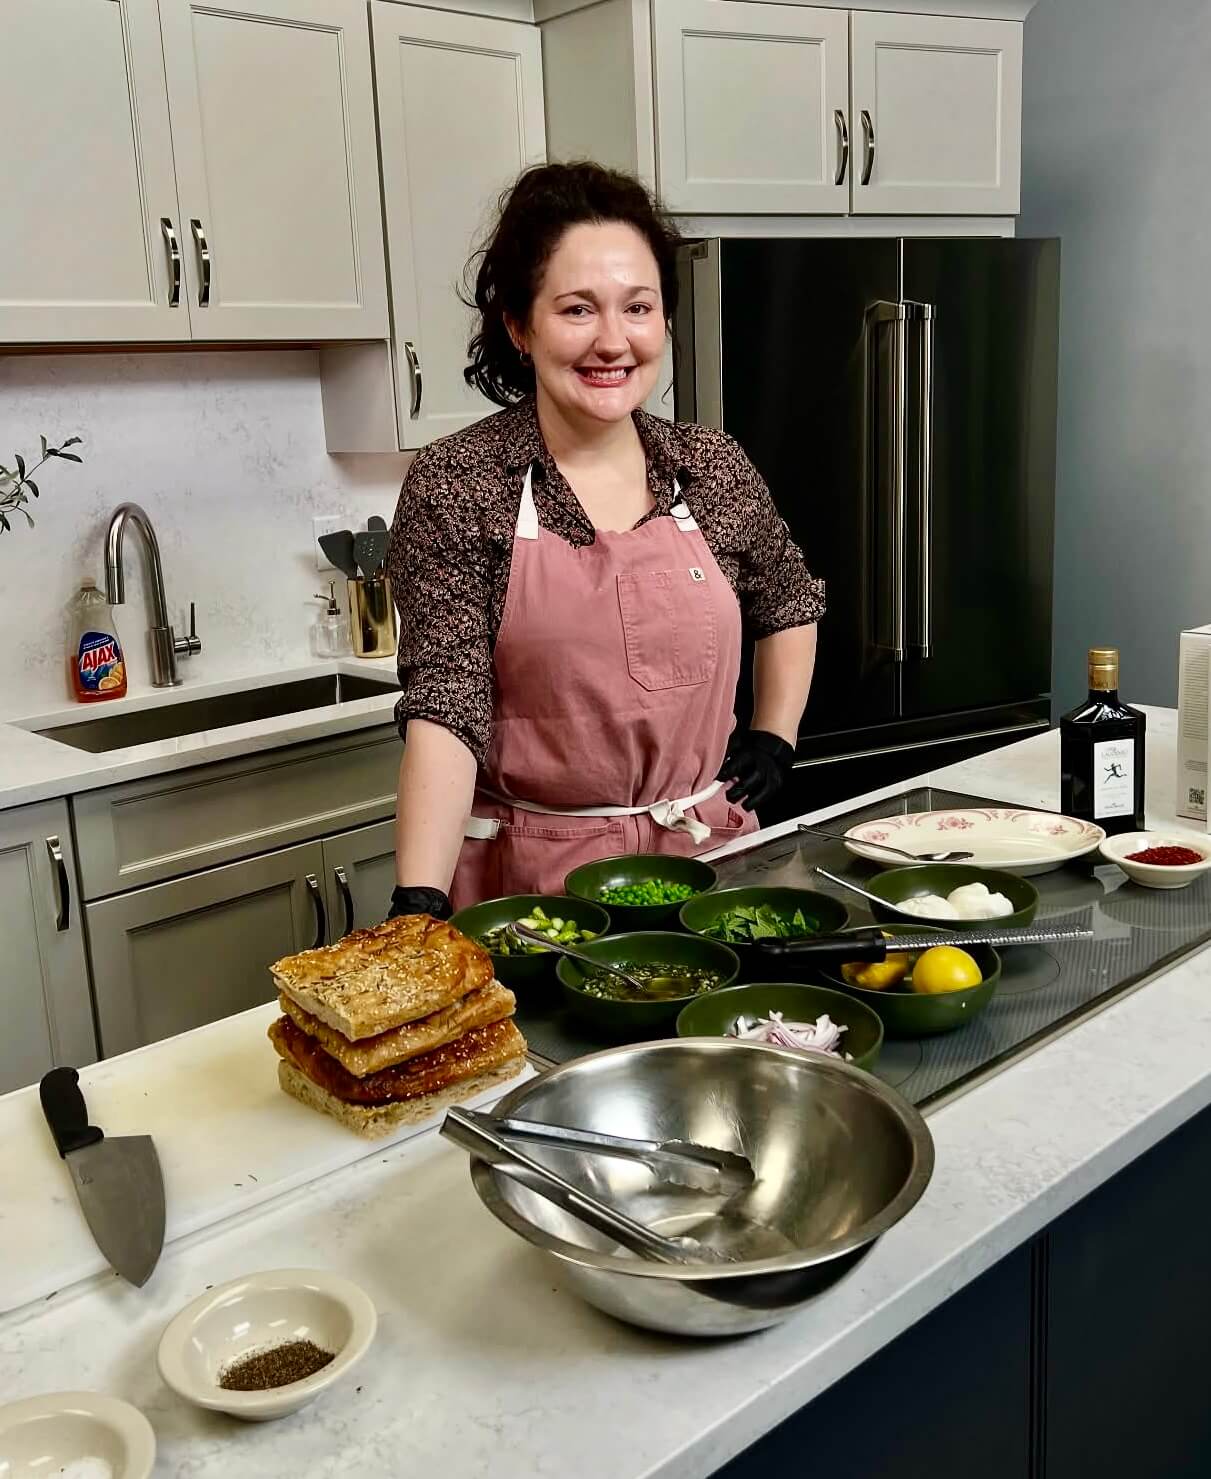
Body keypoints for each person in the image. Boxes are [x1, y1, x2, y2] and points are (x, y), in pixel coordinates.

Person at [386, 162, 825, 920]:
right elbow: (446, 705)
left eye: (638, 307)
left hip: (708, 869)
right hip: (532, 895)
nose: (612, 341)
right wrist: (420, 895)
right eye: (577, 309)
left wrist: (772, 737)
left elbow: (787, 601)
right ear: (520, 327)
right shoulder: (461, 483)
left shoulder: (709, 467)